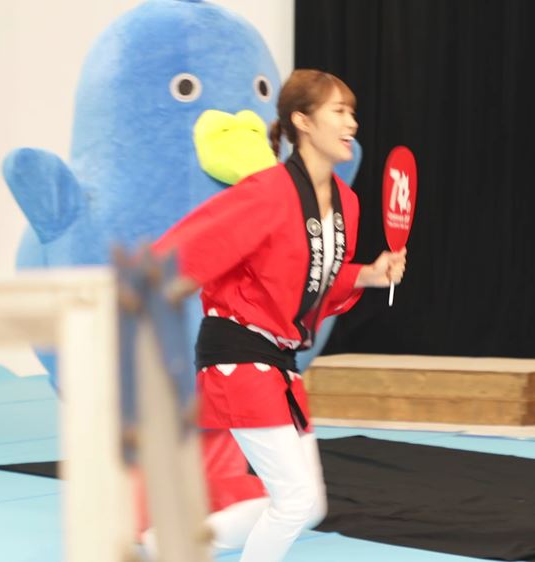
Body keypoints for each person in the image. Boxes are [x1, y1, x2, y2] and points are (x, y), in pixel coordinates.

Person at [148, 69, 406, 562]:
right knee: (295, 501)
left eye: (352, 112)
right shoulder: (266, 191)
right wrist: (132, 297)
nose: (352, 122)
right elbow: (187, 248)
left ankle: (172, 544)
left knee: (309, 506)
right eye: (339, 111)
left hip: (279, 362)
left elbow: (308, 286)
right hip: (240, 355)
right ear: (303, 121)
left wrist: (369, 275)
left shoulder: (347, 205)